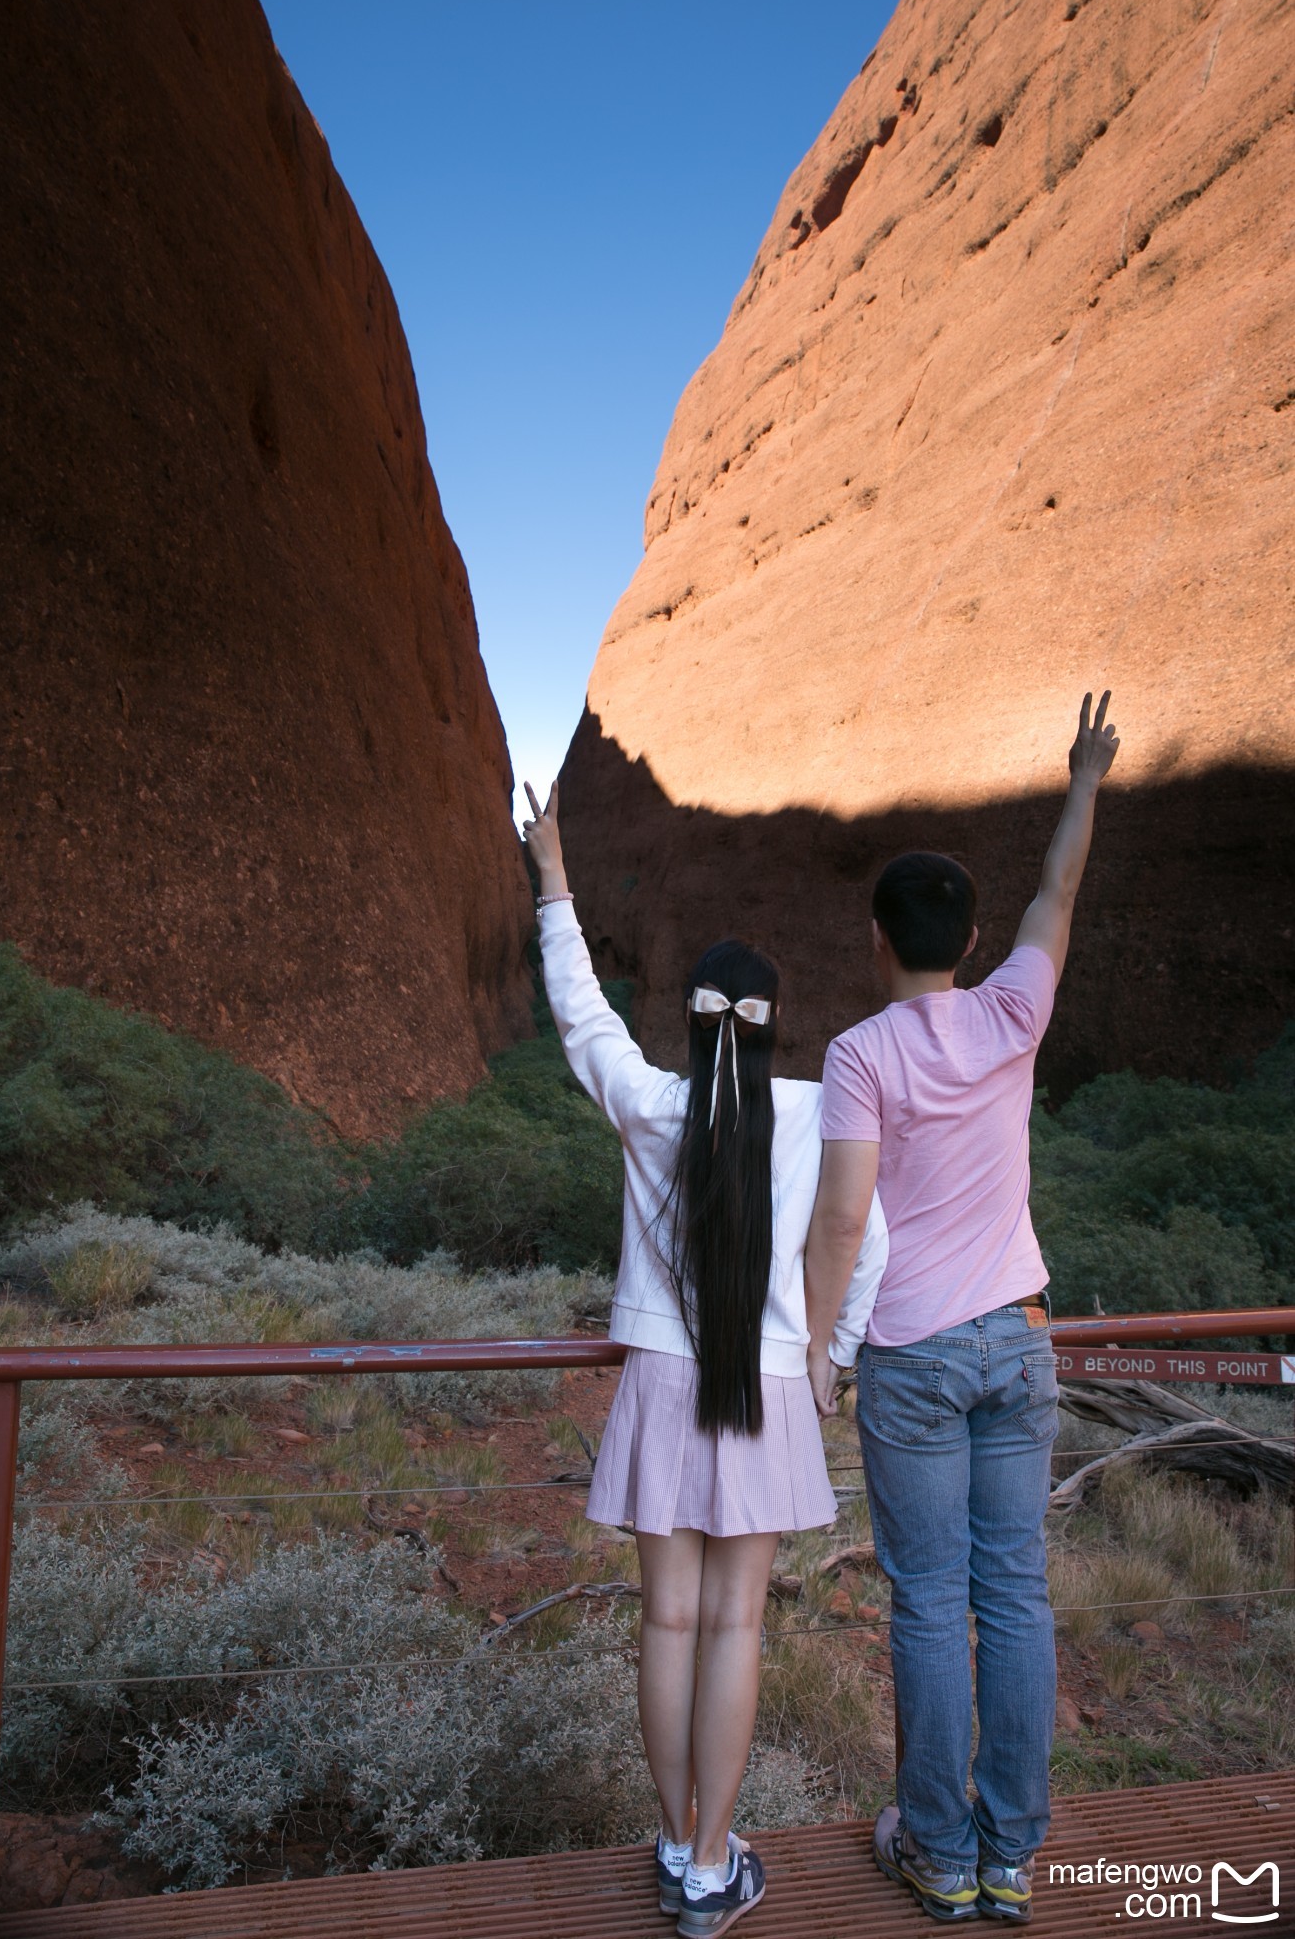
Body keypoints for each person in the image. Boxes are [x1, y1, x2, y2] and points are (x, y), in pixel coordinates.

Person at [521, 777, 888, 1938]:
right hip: (770, 1389)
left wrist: (554, 881)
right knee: (737, 1625)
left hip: (662, 1385)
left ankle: (678, 1843)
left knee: (665, 1624)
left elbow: (582, 1016)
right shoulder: (820, 1111)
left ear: (688, 1020)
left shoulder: (653, 1103)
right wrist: (832, 1349)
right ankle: (715, 1862)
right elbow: (866, 1242)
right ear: (776, 1024)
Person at [804, 691, 1120, 1925]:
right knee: (1016, 1590)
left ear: (875, 940)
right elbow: (1060, 892)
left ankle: (935, 1850)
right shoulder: (1012, 1012)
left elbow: (840, 1222)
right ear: (973, 936)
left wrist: (820, 1355)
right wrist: (1083, 779)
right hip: (1021, 1336)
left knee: (930, 1597)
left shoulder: (858, 1056)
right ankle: (1011, 1852)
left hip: (915, 1355)